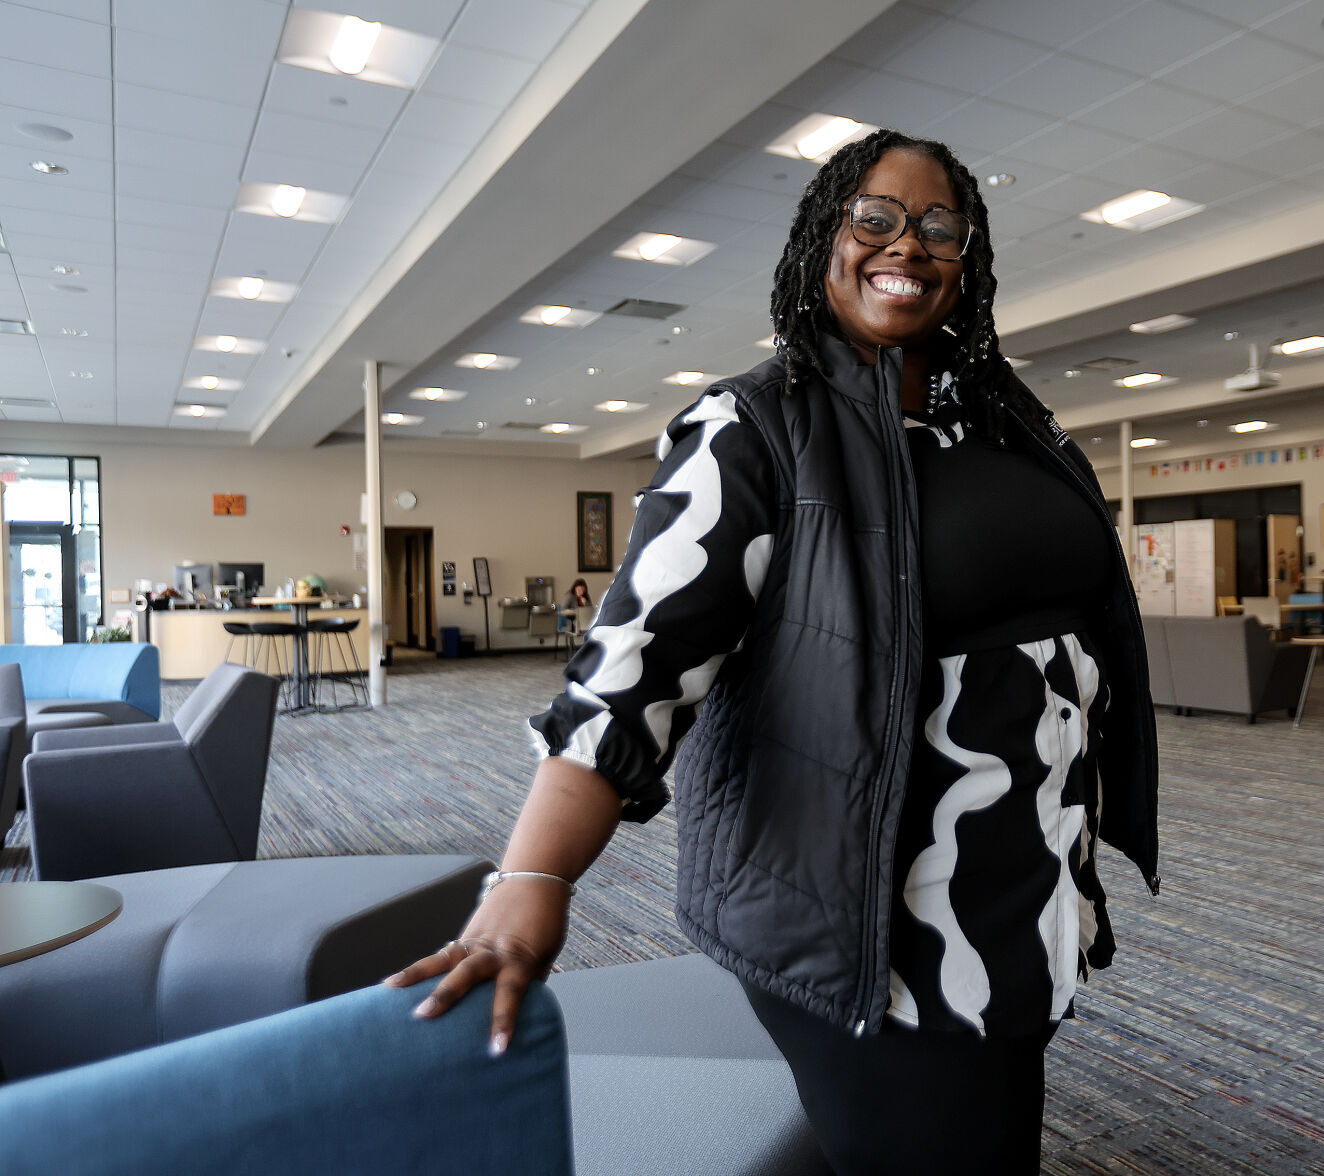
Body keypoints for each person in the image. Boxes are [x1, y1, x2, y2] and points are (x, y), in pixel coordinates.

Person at [387, 129, 1162, 1174]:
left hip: (1020, 891)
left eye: (941, 227)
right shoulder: (755, 426)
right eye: (875, 217)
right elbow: (633, 673)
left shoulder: (997, 418)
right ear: (822, 241)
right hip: (876, 921)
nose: (909, 244)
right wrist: (533, 876)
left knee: (992, 1129)